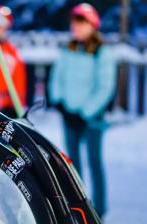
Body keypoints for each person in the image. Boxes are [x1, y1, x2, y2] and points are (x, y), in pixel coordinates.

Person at [48, 3, 117, 218]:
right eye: (74, 23)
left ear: (92, 25)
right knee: (72, 165)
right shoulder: (68, 50)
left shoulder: (101, 53)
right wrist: (59, 102)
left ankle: (99, 210)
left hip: (91, 119)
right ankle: (78, 205)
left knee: (95, 162)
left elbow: (105, 87)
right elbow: (57, 78)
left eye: (81, 23)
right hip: (69, 116)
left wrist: (84, 112)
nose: (76, 27)